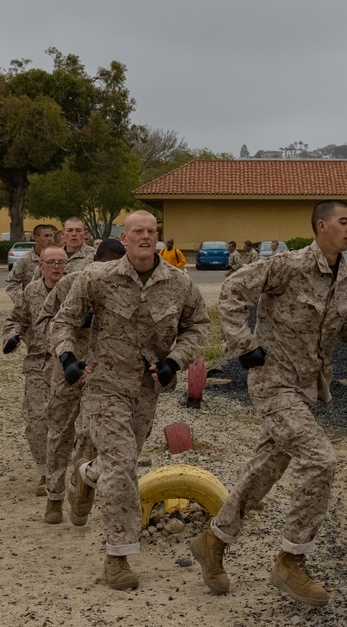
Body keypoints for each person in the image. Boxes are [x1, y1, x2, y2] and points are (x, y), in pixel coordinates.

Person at [191, 199, 347, 608]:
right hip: (273, 382)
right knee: (320, 459)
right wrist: (243, 346)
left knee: (266, 467)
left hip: (307, 389)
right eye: (344, 221)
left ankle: (214, 540)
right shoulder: (288, 265)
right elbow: (231, 291)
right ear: (322, 226)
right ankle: (291, 559)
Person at [52, 211, 209, 590]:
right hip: (104, 386)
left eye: (151, 231)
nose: (145, 236)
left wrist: (174, 363)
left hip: (146, 389)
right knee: (123, 466)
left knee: (117, 460)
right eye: (137, 231)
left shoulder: (178, 284)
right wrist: (67, 358)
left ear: (158, 238)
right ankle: (118, 556)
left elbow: (198, 326)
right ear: (124, 239)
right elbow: (64, 321)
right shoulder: (97, 277)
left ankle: (88, 474)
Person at [39, 239, 127, 526]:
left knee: (91, 438)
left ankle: (80, 491)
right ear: (94, 263)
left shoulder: (125, 288)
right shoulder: (70, 284)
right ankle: (54, 497)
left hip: (103, 373)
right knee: (60, 433)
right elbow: (46, 323)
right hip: (69, 370)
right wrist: (70, 343)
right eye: (105, 267)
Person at [2, 246, 68, 497]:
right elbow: (16, 319)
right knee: (37, 421)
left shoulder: (77, 289)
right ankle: (46, 471)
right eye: (51, 262)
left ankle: (68, 469)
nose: (56, 267)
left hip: (69, 364)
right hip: (39, 363)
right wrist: (12, 336)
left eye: (61, 262)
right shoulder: (31, 292)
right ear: (40, 265)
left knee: (66, 422)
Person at [6, 224, 57, 306]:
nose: (50, 239)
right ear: (36, 238)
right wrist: (21, 301)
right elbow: (11, 283)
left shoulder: (58, 258)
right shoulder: (25, 260)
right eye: (46, 236)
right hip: (33, 308)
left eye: (51, 236)